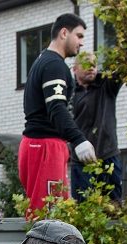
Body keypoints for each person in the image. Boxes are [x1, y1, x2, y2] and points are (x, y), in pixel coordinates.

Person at [20, 13, 97, 218]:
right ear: (64, 32)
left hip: (38, 144)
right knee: (47, 216)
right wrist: (79, 139)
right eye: (79, 36)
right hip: (45, 145)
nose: (81, 43)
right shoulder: (54, 65)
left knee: (51, 213)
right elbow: (56, 107)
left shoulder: (43, 61)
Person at [70, 52, 123, 202]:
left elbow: (123, 69)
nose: (92, 68)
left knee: (114, 205)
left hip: (108, 155)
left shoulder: (106, 85)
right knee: (83, 205)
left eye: (94, 64)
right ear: (75, 69)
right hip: (81, 159)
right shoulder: (70, 93)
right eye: (86, 64)